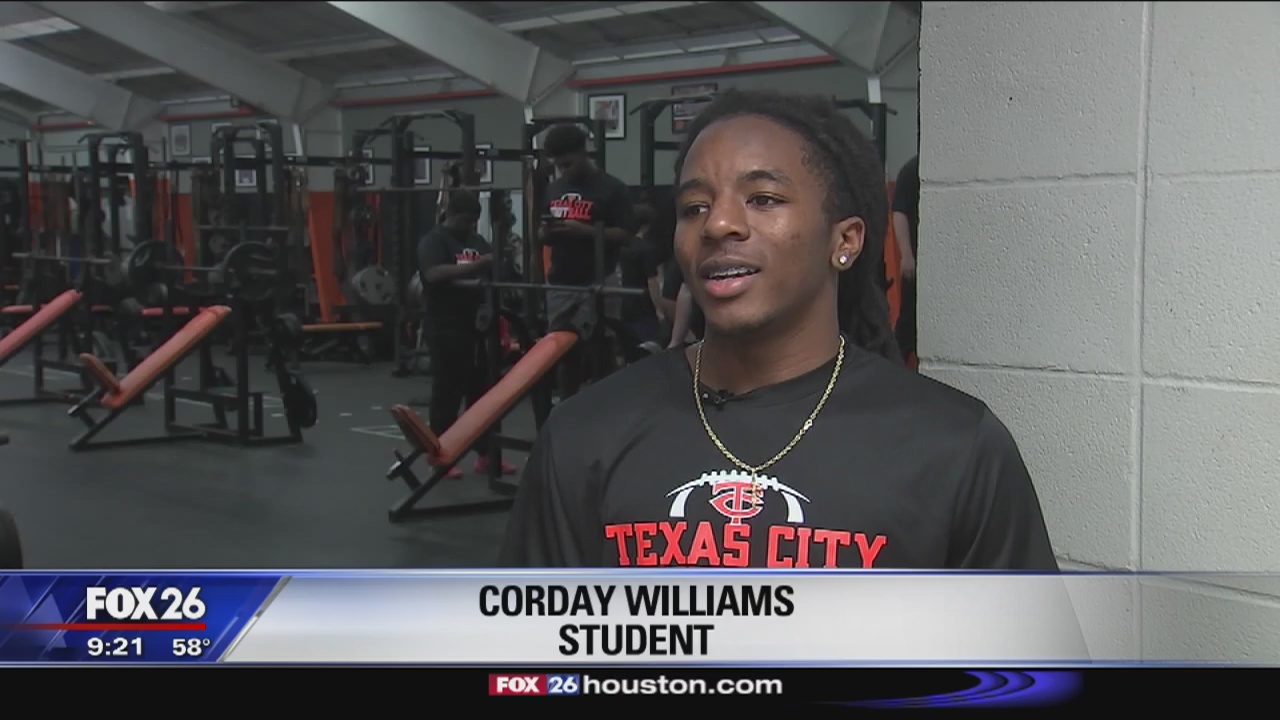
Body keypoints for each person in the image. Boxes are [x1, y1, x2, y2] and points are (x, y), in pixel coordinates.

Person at [498, 89, 1057, 570]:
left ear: (846, 241)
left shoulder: (954, 447)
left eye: (763, 199)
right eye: (694, 207)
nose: (718, 224)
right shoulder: (586, 434)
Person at [418, 190, 517, 479]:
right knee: (447, 392)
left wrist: (501, 262)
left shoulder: (476, 241)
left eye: (474, 221)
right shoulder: (434, 241)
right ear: (451, 215)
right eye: (465, 220)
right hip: (445, 326)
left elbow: (493, 270)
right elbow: (433, 274)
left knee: (481, 393)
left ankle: (485, 454)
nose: (469, 226)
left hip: (478, 326)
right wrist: (477, 266)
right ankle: (439, 455)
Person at [538, 124, 636, 398]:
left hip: (599, 279)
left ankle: (608, 409)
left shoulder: (612, 189)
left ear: (584, 153)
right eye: (559, 166)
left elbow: (627, 235)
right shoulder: (554, 189)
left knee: (601, 350)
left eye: (568, 164)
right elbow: (542, 232)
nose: (564, 171)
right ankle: (568, 411)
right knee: (561, 353)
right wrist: (547, 232)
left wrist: (587, 232)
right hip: (560, 283)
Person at [617, 204, 665, 360]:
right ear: (647, 225)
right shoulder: (647, 250)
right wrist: (659, 308)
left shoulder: (623, 247)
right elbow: (652, 281)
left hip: (625, 303)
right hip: (644, 305)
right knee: (649, 347)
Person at [892, 155, 919, 366]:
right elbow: (898, 213)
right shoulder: (912, 169)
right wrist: (907, 255)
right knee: (908, 322)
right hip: (916, 264)